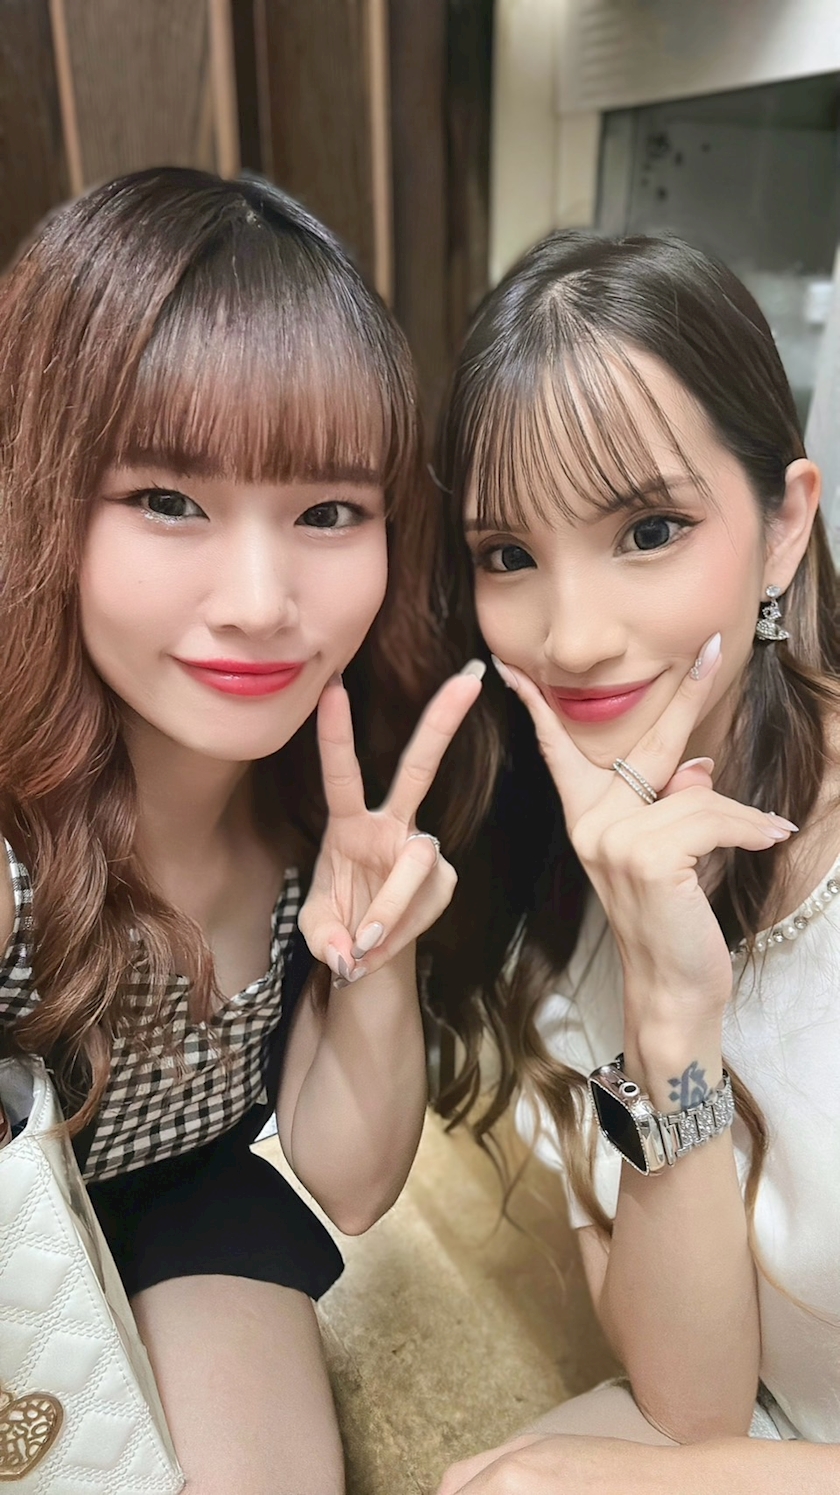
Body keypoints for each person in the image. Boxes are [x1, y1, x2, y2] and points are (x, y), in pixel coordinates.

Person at [0, 166, 486, 1495]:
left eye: (329, 512)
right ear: (42, 499)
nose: (264, 600)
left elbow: (349, 1179)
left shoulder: (327, 799)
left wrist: (373, 947)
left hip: (187, 1195)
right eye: (169, 499)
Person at [429, 230, 840, 1492]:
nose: (571, 637)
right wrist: (669, 1020)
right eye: (509, 556)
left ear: (784, 525)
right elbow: (693, 1395)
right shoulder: (569, 887)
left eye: (649, 529)